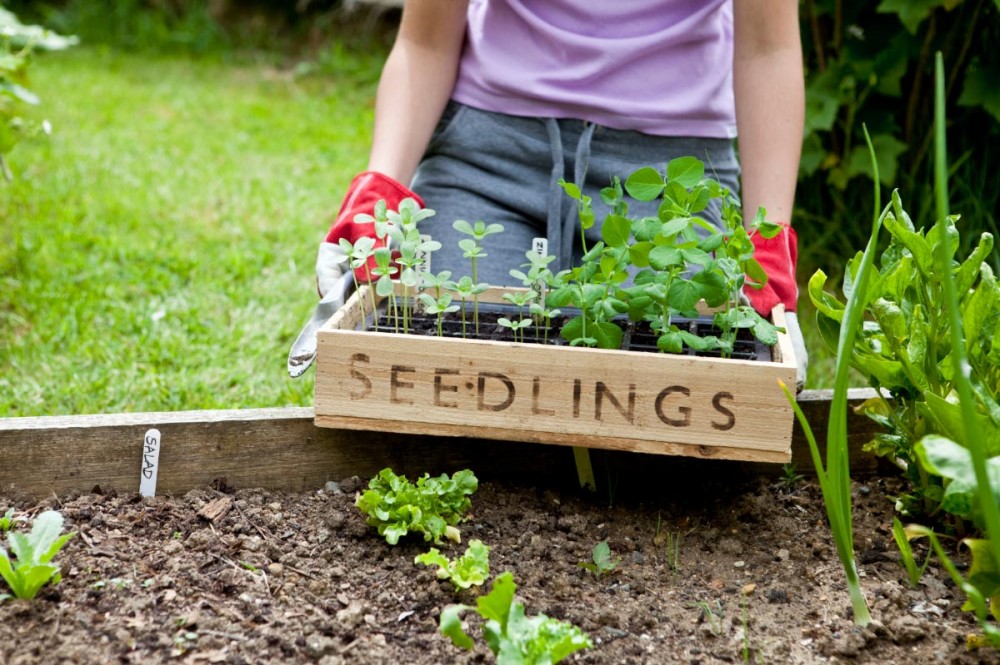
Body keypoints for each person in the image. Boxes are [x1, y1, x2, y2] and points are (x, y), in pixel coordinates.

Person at [289, 0, 807, 385]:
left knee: (681, 389)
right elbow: (425, 43)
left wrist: (767, 242)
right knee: (435, 372)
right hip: (490, 158)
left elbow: (770, 48)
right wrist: (379, 190)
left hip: (673, 181)